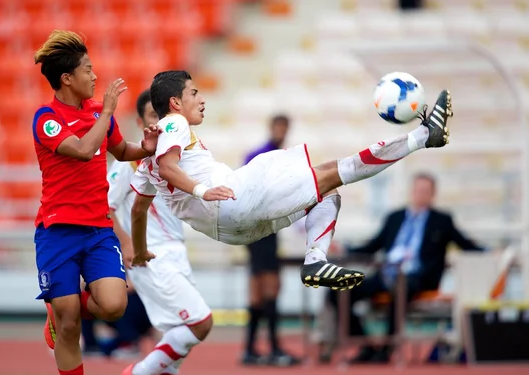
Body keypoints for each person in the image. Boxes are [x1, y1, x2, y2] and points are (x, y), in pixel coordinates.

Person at [130, 70, 453, 293]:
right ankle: (424, 136)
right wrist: (203, 190)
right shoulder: (173, 123)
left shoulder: (146, 158)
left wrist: (141, 252)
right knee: (335, 170)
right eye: (193, 93)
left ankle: (315, 261)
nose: (201, 99)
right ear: (175, 103)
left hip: (228, 231)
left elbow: (138, 211)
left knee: (328, 193)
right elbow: (169, 165)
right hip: (230, 199)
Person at [32, 30, 158, 375]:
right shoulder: (47, 118)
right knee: (70, 323)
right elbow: (85, 150)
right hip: (57, 231)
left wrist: (145, 148)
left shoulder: (98, 116)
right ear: (67, 78)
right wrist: (105, 112)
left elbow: (119, 149)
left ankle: (60, 305)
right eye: (88, 69)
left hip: (98, 229)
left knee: (115, 305)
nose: (95, 76)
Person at [105, 89, 212, 375]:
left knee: (181, 335)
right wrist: (126, 243)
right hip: (151, 255)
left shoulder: (171, 159)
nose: (162, 124)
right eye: (154, 117)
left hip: (174, 251)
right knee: (199, 322)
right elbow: (105, 206)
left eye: (165, 117)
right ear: (141, 122)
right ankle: (138, 372)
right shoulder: (128, 166)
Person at [326, 172, 485, 363]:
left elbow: (465, 243)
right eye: (418, 190)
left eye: (425, 191)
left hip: (417, 278)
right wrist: (344, 249)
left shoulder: (442, 221)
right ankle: (367, 346)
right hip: (386, 274)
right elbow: (372, 246)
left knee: (400, 289)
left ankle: (386, 350)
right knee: (338, 291)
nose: (421, 194)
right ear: (411, 191)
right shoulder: (395, 217)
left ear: (433, 194)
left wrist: (490, 252)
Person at [242, 114, 299, 366]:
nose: (281, 132)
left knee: (258, 291)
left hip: (263, 228)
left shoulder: (278, 155)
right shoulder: (264, 156)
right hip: (260, 227)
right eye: (279, 127)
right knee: (269, 287)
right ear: (272, 128)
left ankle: (251, 349)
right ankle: (273, 348)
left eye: (284, 128)